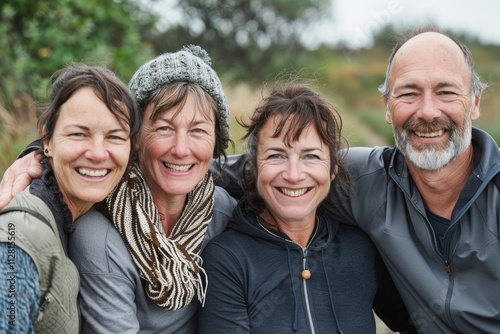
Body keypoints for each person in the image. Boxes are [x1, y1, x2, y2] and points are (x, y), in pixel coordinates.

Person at [4, 26, 495, 332]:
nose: (427, 111)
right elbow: (224, 164)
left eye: (446, 92)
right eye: (409, 93)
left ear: (475, 102)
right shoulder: (113, 230)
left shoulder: (224, 209)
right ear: (388, 106)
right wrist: (44, 158)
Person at [198, 82, 416, 333]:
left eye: (310, 156)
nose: (293, 175)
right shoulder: (227, 259)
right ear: (255, 168)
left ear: (333, 168)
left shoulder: (361, 247)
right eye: (276, 155)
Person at [72, 45, 236, 333]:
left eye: (198, 130)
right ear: (135, 138)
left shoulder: (222, 211)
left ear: (215, 142)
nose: (181, 149)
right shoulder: (100, 236)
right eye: (164, 128)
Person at [0, 64, 139, 333]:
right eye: (79, 134)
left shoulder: (71, 212)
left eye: (115, 137)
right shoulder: (20, 238)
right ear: (47, 140)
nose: (98, 154)